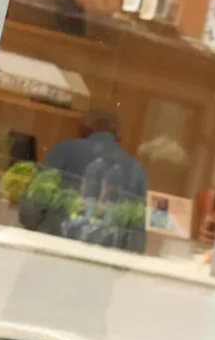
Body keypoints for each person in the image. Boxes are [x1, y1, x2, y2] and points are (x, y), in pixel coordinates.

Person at [41, 106, 149, 251]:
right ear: (118, 138)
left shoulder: (63, 149)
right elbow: (137, 233)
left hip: (57, 248)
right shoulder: (137, 169)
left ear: (83, 130)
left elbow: (33, 207)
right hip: (107, 256)